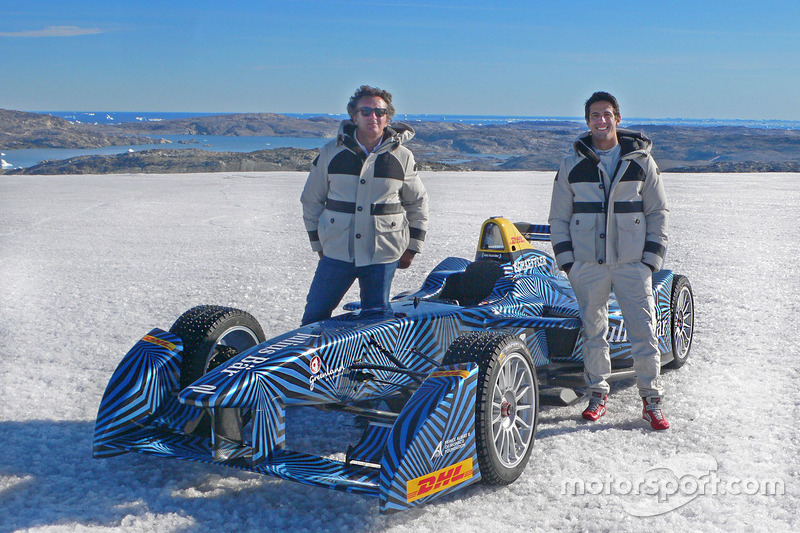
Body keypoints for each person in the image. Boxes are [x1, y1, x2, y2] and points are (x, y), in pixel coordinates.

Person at [548, 91, 670, 430]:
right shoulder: (573, 163)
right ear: (587, 121)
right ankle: (597, 394)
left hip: (632, 264)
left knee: (644, 331)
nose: (601, 121)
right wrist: (568, 262)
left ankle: (651, 400)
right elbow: (559, 217)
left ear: (618, 118)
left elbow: (657, 211)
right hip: (587, 266)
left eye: (607, 114)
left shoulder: (640, 161)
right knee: (593, 331)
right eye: (594, 115)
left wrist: (650, 259)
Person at [300, 85, 429, 325]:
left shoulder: (402, 157)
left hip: (382, 253)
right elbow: (311, 199)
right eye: (366, 111)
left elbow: (417, 203)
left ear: (388, 117)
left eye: (379, 112)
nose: (373, 117)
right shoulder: (331, 153)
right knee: (314, 317)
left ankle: (370, 363)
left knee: (376, 322)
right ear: (354, 115)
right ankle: (311, 362)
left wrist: (412, 248)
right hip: (336, 251)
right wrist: (319, 244)